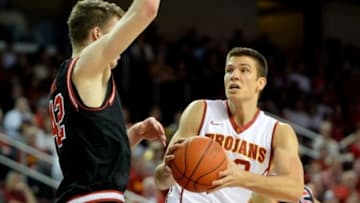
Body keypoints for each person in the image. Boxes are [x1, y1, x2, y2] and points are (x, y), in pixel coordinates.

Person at [48, 0, 165, 202]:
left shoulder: (66, 79)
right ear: (98, 35)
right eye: (117, 31)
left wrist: (134, 134)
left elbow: (94, 158)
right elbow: (147, 8)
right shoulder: (86, 67)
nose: (123, 45)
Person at [154, 47, 304, 202]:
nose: (234, 76)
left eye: (244, 70)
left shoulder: (277, 132)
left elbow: (294, 189)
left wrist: (241, 177)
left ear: (260, 83)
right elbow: (161, 181)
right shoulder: (200, 110)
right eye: (229, 70)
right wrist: (167, 172)